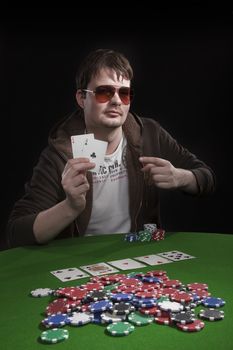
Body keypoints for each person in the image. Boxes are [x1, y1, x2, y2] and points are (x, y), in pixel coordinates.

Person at [6, 48, 216, 248]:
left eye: (124, 93)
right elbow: (17, 233)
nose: (116, 101)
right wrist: (69, 207)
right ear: (82, 98)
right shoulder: (60, 154)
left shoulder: (149, 133)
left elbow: (207, 178)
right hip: (81, 264)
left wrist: (182, 178)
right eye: (104, 92)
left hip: (137, 256)